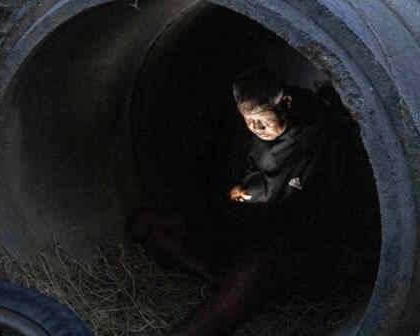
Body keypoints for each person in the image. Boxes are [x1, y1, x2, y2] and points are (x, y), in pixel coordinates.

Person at [128, 66, 332, 336]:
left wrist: (251, 193)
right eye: (248, 121)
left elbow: (300, 200)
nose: (256, 128)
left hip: (286, 244)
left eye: (261, 119)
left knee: (249, 277)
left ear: (286, 103)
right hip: (241, 226)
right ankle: (221, 277)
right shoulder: (249, 134)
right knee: (147, 224)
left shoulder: (313, 133)